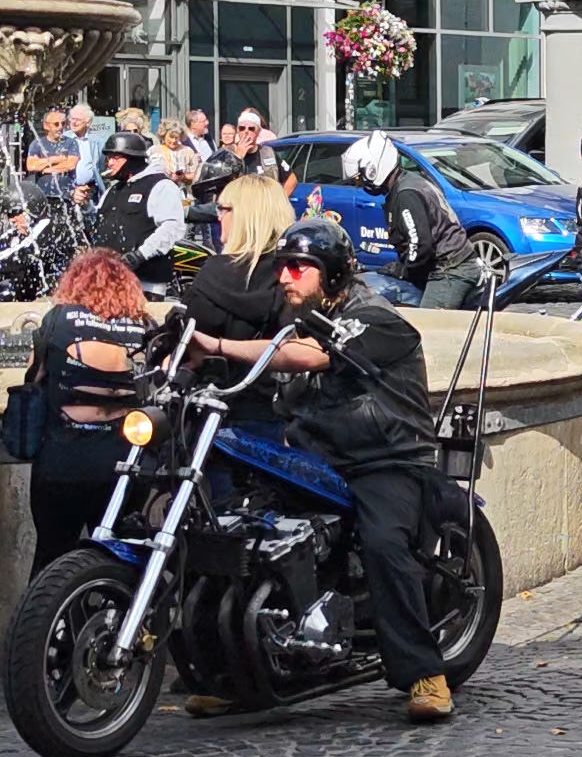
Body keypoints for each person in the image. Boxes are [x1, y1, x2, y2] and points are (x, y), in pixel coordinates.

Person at [189, 218, 459, 722]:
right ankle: (235, 675)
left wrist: (217, 345)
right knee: (242, 534)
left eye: (298, 267)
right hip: (319, 458)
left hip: (387, 457)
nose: (284, 277)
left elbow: (307, 357)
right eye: (282, 267)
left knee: (383, 544)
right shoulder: (300, 317)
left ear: (331, 273)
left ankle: (426, 672)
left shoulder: (374, 316)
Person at [21, 249, 151, 575]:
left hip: (63, 464)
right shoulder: (145, 327)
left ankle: (49, 609)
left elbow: (31, 379)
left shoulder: (57, 320)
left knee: (51, 559)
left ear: (74, 283)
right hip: (125, 466)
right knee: (120, 562)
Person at [180, 174, 296, 430]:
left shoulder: (213, 274)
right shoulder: (294, 277)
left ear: (245, 215)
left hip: (212, 411)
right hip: (278, 413)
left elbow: (187, 338)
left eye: (223, 208)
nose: (218, 216)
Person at [342, 131, 482, 309]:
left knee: (426, 323)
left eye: (359, 179)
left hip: (449, 271)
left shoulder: (406, 194)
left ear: (373, 169)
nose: (360, 185)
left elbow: (420, 245)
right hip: (445, 266)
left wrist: (404, 270)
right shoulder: (406, 183)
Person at [94, 132, 186, 288]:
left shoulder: (160, 185)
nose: (110, 163)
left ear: (133, 159)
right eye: (108, 158)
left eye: (116, 158)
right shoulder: (114, 189)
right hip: (111, 278)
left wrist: (140, 255)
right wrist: (84, 206)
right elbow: (99, 222)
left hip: (146, 279)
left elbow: (172, 227)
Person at [25, 109, 80, 206]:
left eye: (63, 123)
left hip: (66, 196)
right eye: (56, 124)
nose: (60, 127)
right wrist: (56, 159)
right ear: (46, 125)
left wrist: (45, 169)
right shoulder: (37, 144)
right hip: (43, 196)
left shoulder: (71, 143)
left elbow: (70, 165)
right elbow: (31, 166)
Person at [64, 103, 103, 199]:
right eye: (72, 118)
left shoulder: (97, 141)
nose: (74, 122)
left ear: (88, 122)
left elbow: (102, 167)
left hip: (90, 191)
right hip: (68, 190)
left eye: (78, 119)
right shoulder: (63, 139)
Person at [151, 118, 201, 188]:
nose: (173, 140)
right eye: (171, 137)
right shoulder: (154, 150)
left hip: (182, 191)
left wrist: (183, 177)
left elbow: (197, 174)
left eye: (176, 137)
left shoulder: (187, 151)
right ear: (164, 134)